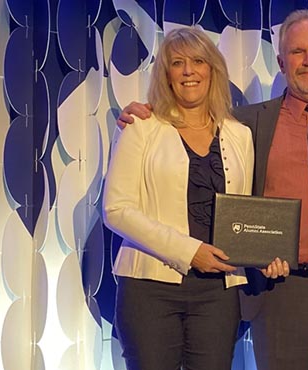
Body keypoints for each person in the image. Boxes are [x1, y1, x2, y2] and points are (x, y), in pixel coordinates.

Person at [117, 10, 308, 370]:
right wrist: (137, 113)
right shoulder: (246, 123)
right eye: (297, 52)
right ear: (281, 61)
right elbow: (192, 124)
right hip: (279, 292)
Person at [103, 27, 288, 370]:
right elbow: (116, 210)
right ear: (167, 75)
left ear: (212, 69)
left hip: (218, 292)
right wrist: (190, 252)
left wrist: (261, 254)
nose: (189, 71)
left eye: (198, 61)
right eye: (177, 63)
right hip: (149, 288)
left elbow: (241, 214)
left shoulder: (239, 135)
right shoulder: (140, 127)